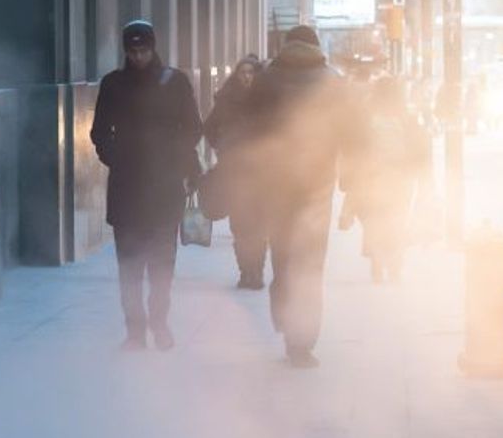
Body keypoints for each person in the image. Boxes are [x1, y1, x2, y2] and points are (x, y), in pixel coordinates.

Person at [249, 25, 357, 368]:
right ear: (316, 47)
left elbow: (249, 130)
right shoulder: (333, 81)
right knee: (309, 264)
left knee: (283, 258)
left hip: (275, 186)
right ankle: (302, 343)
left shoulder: (266, 79)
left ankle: (283, 307)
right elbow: (352, 135)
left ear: (286, 45)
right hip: (317, 188)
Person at [91, 20, 202, 352]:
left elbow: (193, 128)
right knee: (130, 268)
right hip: (127, 189)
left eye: (143, 50)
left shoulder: (175, 81)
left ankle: (159, 322)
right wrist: (116, 156)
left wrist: (174, 157)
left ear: (153, 48)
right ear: (125, 51)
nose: (138, 56)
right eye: (133, 50)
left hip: (164, 190)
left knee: (161, 267)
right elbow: (99, 132)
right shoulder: (114, 84)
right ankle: (135, 332)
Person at [346, 77, 431, 284]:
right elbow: (420, 146)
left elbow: (355, 147)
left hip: (372, 176)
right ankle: (395, 266)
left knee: (374, 220)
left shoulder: (366, 117)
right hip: (400, 177)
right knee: (397, 218)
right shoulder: (406, 117)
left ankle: (376, 265)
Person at [204, 55, 266, 290]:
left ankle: (256, 271)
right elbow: (209, 127)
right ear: (236, 75)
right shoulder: (226, 100)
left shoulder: (267, 100)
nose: (247, 77)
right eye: (243, 72)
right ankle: (245, 271)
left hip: (261, 173)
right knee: (239, 226)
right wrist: (221, 146)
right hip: (234, 171)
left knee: (258, 226)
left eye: (251, 72)